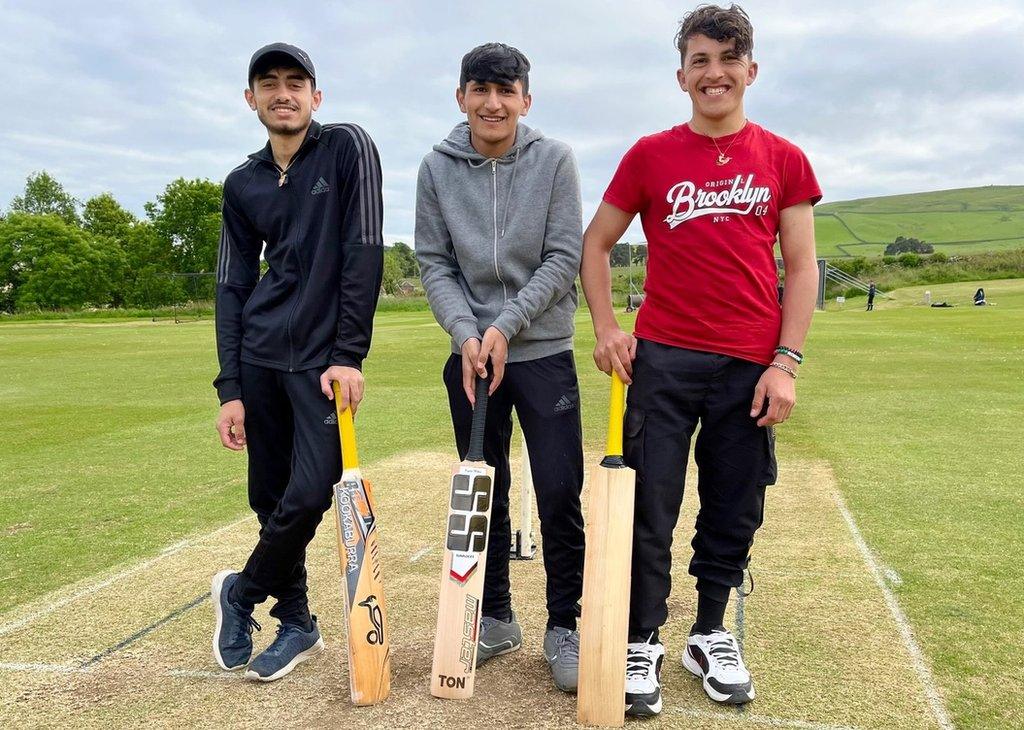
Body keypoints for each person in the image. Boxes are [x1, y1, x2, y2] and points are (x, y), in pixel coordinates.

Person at [580, 5, 820, 716]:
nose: (714, 73)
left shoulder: (783, 157)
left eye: (727, 59)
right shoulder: (651, 154)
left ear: (751, 69)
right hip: (662, 360)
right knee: (649, 506)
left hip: (749, 366)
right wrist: (606, 327)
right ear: (681, 74)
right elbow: (596, 245)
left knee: (734, 506)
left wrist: (787, 361)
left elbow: (802, 268)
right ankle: (640, 638)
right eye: (700, 60)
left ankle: (710, 631)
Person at [415, 42, 586, 692]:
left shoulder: (554, 160)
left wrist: (503, 326)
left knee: (559, 492)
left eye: (505, 90)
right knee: (483, 493)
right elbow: (434, 261)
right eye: (480, 89)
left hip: (540, 352)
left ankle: (564, 624)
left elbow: (563, 254)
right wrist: (467, 333)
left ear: (525, 99)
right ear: (461, 97)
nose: (493, 102)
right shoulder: (436, 167)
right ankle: (496, 617)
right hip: (472, 360)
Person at [210, 43, 384, 682]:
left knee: (312, 490)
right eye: (269, 84)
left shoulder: (347, 148)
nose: (283, 93)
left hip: (320, 362)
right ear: (250, 98)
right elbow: (231, 285)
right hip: (258, 357)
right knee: (268, 495)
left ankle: (243, 591)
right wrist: (230, 386)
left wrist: (348, 355)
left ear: (316, 95)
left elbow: (364, 250)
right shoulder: (243, 182)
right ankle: (298, 620)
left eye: (295, 82)